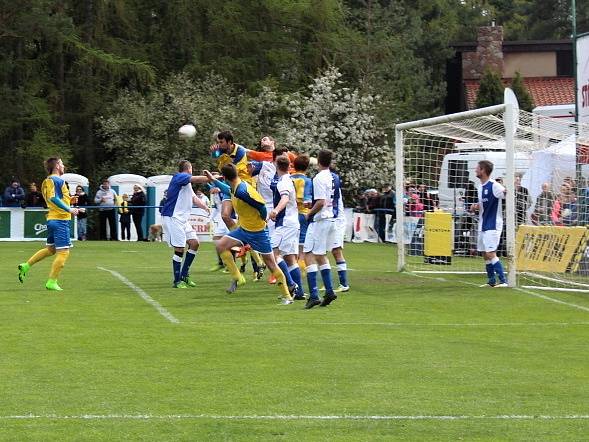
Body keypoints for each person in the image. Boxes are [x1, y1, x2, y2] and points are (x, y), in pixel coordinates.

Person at [204, 164, 295, 304]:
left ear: (226, 177)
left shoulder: (243, 190)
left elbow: (261, 205)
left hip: (258, 232)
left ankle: (287, 296)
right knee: (221, 245)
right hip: (244, 230)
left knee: (271, 264)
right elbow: (228, 190)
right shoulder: (235, 187)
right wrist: (213, 180)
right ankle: (238, 277)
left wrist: (264, 218)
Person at [17, 157, 79, 291]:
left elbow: (53, 198)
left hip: (52, 219)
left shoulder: (47, 180)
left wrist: (69, 200)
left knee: (51, 249)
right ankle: (52, 282)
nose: (63, 166)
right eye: (61, 163)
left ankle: (26, 265)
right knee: (63, 252)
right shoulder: (57, 180)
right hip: (60, 220)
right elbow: (53, 198)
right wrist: (69, 209)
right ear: (57, 165)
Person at [161, 160, 210, 288]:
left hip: (183, 219)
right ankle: (177, 281)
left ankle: (184, 275)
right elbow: (197, 179)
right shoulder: (180, 177)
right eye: (191, 168)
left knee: (194, 243)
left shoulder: (186, 184)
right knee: (180, 248)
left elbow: (194, 198)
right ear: (189, 169)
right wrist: (211, 178)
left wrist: (205, 207)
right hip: (173, 218)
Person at [303, 149, 339, 309]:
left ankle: (313, 295)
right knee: (319, 255)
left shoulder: (318, 178)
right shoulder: (333, 177)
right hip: (330, 218)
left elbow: (320, 202)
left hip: (320, 219)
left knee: (308, 254)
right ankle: (329, 291)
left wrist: (309, 213)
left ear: (318, 160)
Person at [269, 154, 304, 300]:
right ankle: (299, 292)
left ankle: (291, 284)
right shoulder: (289, 179)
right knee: (290, 258)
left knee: (272, 255)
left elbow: (285, 198)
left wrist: (276, 210)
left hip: (285, 224)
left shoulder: (282, 182)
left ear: (276, 166)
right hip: (292, 222)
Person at [469, 160, 507, 288]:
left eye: (477, 168)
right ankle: (491, 281)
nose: (475, 170)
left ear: (483, 170)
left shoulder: (494, 185)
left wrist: (509, 188)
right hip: (483, 224)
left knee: (491, 253)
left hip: (493, 224)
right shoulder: (480, 187)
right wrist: (476, 207)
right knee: (485, 254)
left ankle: (503, 281)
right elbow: (483, 205)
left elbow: (505, 193)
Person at [291, 154, 313, 274]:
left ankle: (293, 265)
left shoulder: (288, 178)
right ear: (307, 167)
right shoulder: (308, 181)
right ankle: (301, 265)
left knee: (292, 240)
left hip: (290, 213)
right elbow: (308, 200)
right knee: (302, 240)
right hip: (303, 213)